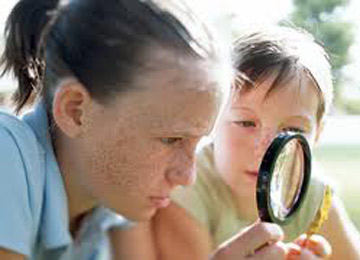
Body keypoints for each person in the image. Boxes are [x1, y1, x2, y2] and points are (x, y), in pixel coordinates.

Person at [0, 0, 235, 259]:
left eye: (198, 143)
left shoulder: (109, 201)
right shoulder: (6, 151)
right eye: (171, 139)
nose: (187, 177)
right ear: (75, 111)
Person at [117, 26, 360, 259]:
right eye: (246, 123)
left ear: (316, 135)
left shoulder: (313, 194)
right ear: (210, 119)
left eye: (292, 130)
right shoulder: (187, 186)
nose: (266, 149)